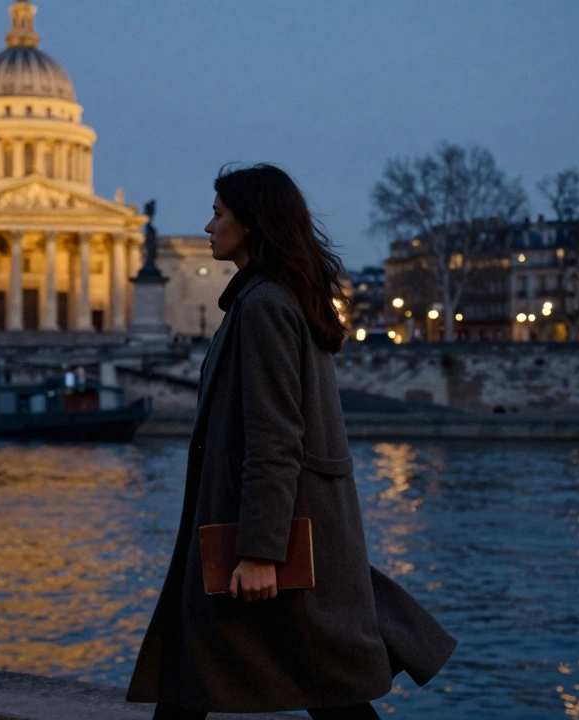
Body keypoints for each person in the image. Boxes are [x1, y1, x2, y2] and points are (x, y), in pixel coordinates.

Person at [127, 164, 456, 719]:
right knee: (301, 680)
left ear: (251, 223)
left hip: (273, 530)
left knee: (303, 680)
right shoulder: (276, 298)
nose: (207, 226)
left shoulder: (263, 306)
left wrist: (260, 552)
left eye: (218, 214)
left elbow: (275, 437)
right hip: (293, 523)